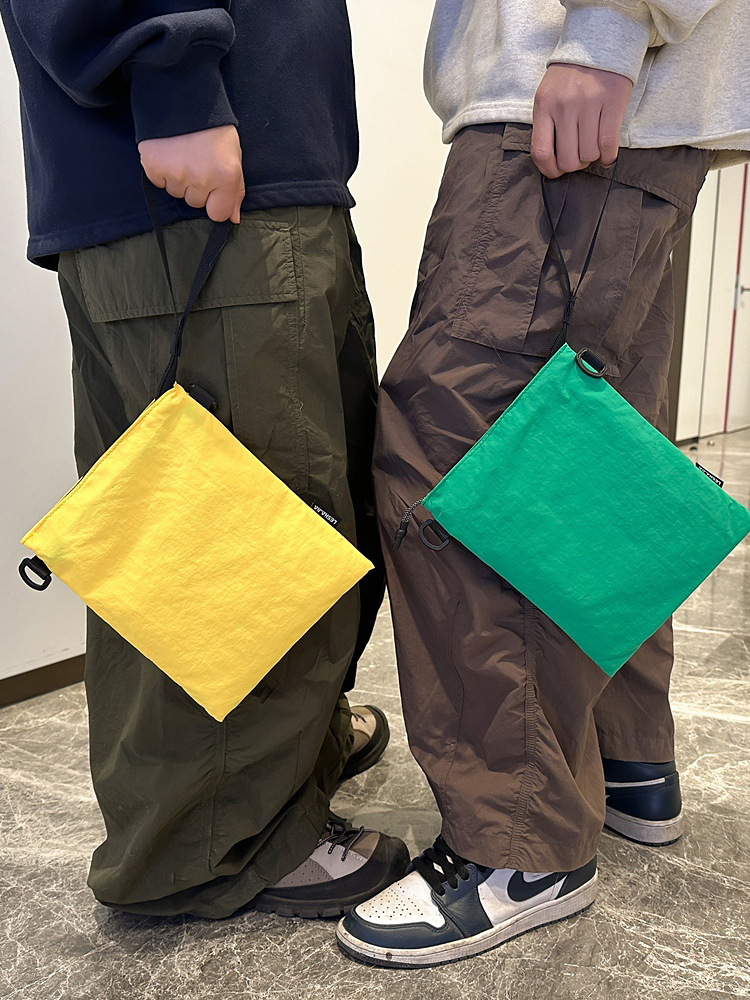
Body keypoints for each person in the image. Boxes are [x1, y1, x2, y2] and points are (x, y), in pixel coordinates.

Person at [337, 0, 750, 968]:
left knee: (460, 464)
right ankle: (626, 756)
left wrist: (606, 27)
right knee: (594, 453)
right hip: (630, 110)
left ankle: (519, 844)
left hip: (569, 93)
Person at [0, 1, 409, 919]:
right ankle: (217, 845)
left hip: (266, 163)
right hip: (197, 161)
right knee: (231, 538)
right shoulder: (175, 81)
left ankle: (286, 767)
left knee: (301, 510)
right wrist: (168, 65)